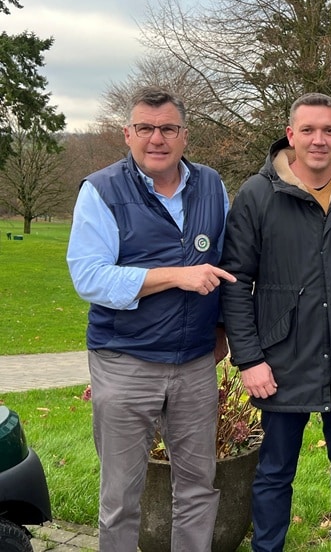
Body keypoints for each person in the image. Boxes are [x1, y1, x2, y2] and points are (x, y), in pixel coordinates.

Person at [219, 93, 331, 552]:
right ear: (290, 135)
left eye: (329, 130)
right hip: (279, 360)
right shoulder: (258, 194)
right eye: (309, 130)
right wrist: (249, 359)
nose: (319, 140)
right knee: (275, 471)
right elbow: (235, 281)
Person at [66, 86, 235, 551]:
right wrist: (176, 276)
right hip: (125, 361)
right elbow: (89, 277)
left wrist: (222, 328)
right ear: (127, 134)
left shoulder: (212, 185)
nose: (156, 138)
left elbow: (226, 262)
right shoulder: (101, 190)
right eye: (145, 128)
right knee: (121, 497)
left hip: (195, 362)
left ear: (185, 135)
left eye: (168, 129)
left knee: (198, 489)